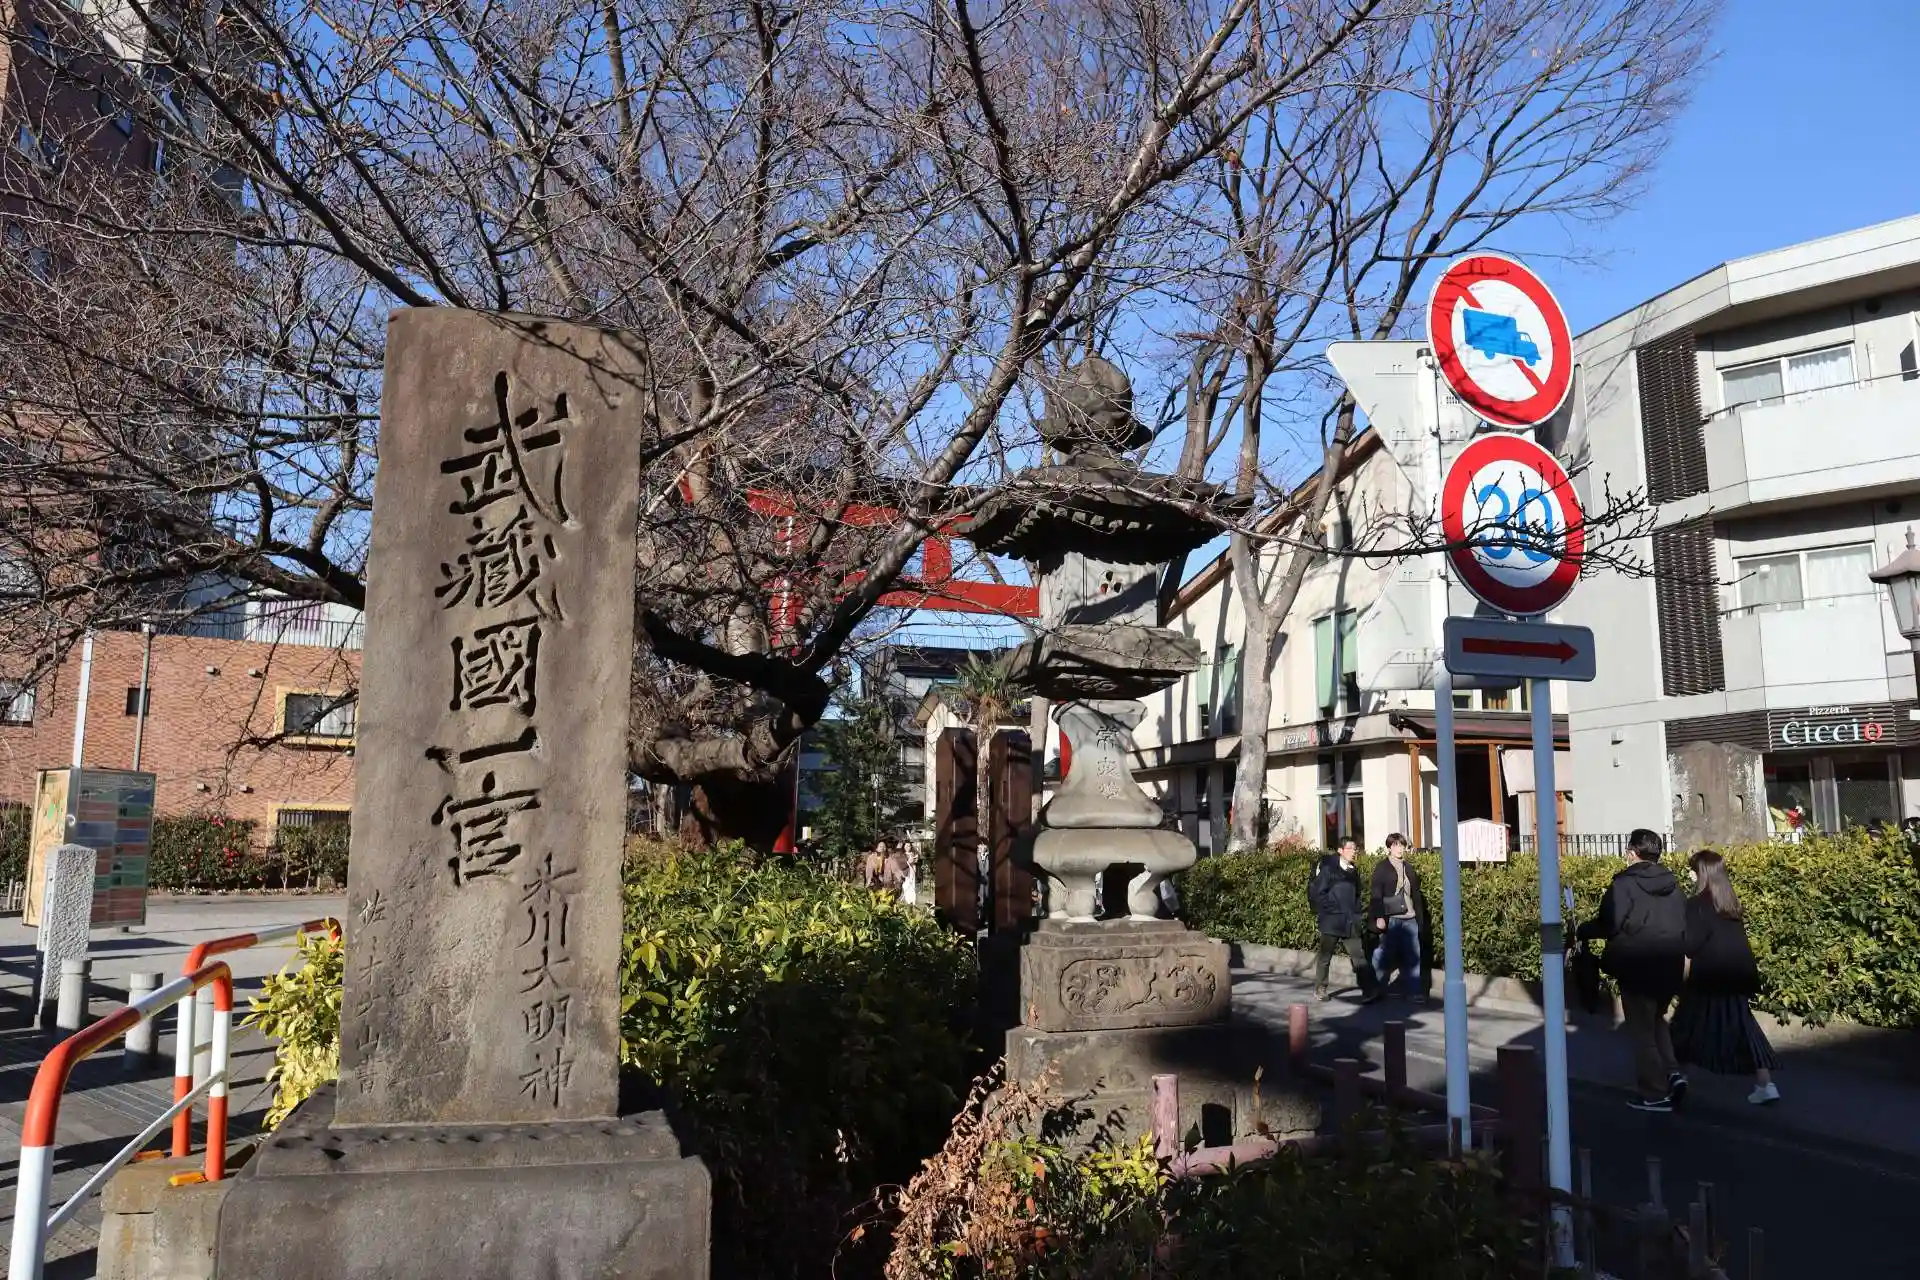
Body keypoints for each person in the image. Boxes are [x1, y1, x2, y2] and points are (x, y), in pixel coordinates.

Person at [1576, 828, 1688, 1111]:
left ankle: (1655, 1094)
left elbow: (1609, 923)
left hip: (1637, 966)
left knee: (1641, 1031)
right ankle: (1673, 1072)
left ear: (1632, 852)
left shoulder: (1623, 885)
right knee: (1657, 1020)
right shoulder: (1673, 885)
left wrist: (1582, 930)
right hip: (1670, 964)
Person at [1671, 849, 1780, 1105]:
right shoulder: (1728, 901)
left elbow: (1690, 945)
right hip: (1736, 974)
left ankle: (1677, 1077)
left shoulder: (1697, 904)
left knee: (1686, 1024)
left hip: (1710, 976)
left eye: (1693, 870)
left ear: (1702, 873)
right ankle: (1766, 1083)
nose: (1689, 875)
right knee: (1743, 1027)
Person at [1309, 837, 1381, 1003]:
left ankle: (1368, 990)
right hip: (1332, 921)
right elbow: (1317, 893)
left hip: (1350, 923)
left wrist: (1357, 914)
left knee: (1358, 957)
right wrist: (1332, 907)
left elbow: (1357, 896)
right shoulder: (1329, 870)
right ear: (1340, 851)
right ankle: (1320, 988)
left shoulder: (1353, 871)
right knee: (1325, 957)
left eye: (1355, 849)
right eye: (1350, 848)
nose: (1354, 852)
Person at [1368, 833, 1426, 1001]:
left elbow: (1415, 893)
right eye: (1395, 845)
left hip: (1410, 918)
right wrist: (1379, 916)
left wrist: (1420, 918)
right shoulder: (1382, 867)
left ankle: (1414, 992)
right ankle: (1373, 988)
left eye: (1402, 845)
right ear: (1389, 848)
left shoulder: (1408, 867)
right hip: (1392, 917)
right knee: (1383, 953)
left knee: (1413, 955)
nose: (1399, 849)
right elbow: (1376, 894)